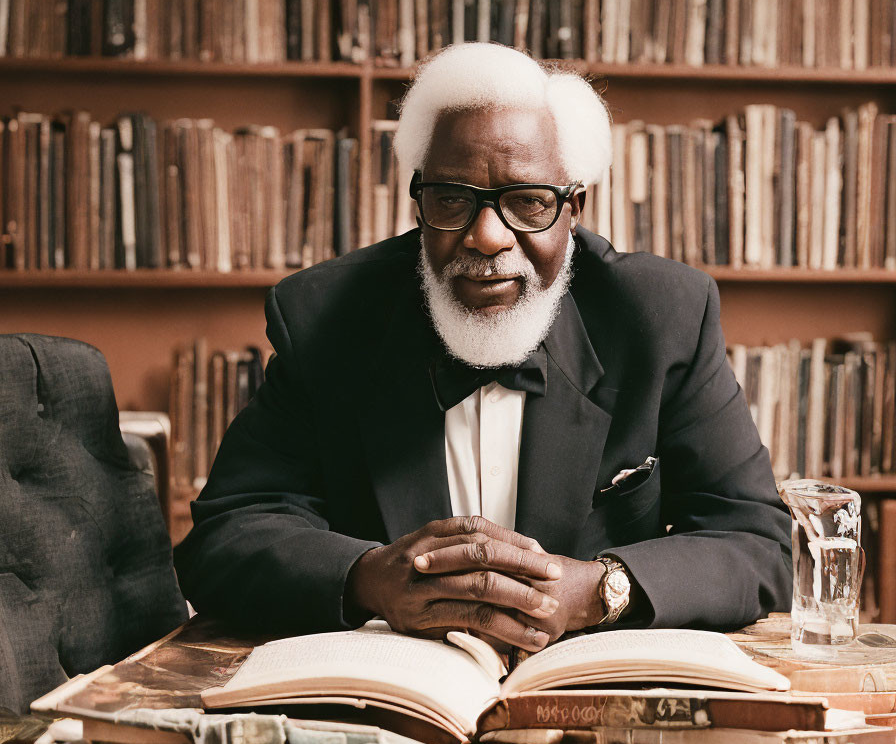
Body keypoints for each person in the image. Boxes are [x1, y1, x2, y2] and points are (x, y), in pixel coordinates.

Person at [174, 42, 791, 651]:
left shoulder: (662, 316)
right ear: (418, 204)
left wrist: (602, 591)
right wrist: (368, 579)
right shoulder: (325, 316)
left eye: (527, 202)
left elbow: (758, 542)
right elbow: (227, 532)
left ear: (572, 208)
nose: (488, 236)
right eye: (452, 199)